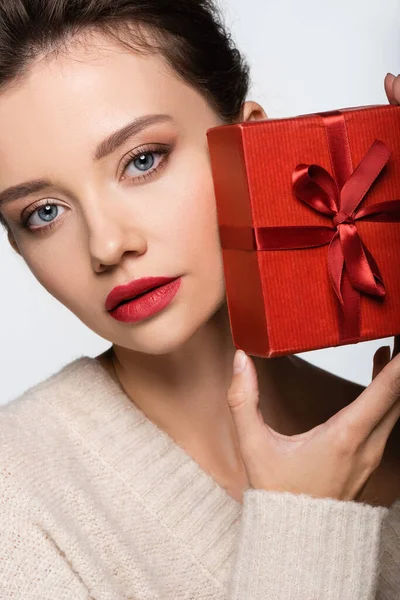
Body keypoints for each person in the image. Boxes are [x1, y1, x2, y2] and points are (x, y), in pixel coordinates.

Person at [0, 1, 399, 597]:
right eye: (43, 212)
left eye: (141, 160)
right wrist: (304, 524)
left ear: (252, 139)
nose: (107, 245)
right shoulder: (21, 498)